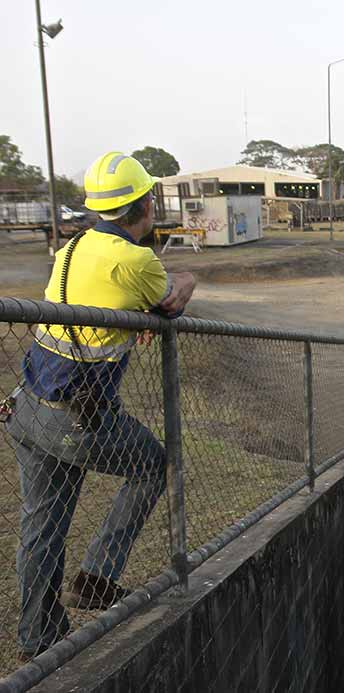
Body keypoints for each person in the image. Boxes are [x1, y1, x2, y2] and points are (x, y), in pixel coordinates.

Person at [2, 151, 196, 661]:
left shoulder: (74, 247)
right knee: (152, 465)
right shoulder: (136, 261)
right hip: (78, 418)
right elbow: (170, 304)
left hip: (28, 409)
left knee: (42, 526)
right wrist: (189, 279)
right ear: (147, 204)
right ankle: (97, 576)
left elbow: (113, 299)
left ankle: (38, 638)